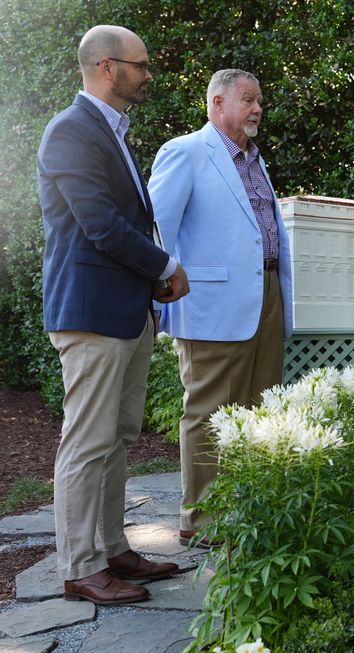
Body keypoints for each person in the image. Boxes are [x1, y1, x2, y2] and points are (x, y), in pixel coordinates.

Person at [37, 25, 189, 604]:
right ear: (106, 66)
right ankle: (80, 568)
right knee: (87, 441)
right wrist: (164, 266)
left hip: (126, 311)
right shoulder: (70, 131)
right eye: (140, 64)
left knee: (118, 436)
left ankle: (110, 548)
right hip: (92, 310)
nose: (148, 74)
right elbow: (99, 225)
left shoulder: (112, 131)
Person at [149, 69, 293, 548]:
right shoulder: (186, 152)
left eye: (259, 101)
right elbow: (156, 232)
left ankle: (246, 507)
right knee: (210, 411)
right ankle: (204, 520)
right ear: (216, 103)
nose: (257, 109)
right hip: (208, 302)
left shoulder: (254, 158)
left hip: (267, 294)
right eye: (248, 100)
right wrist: (156, 295)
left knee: (257, 408)